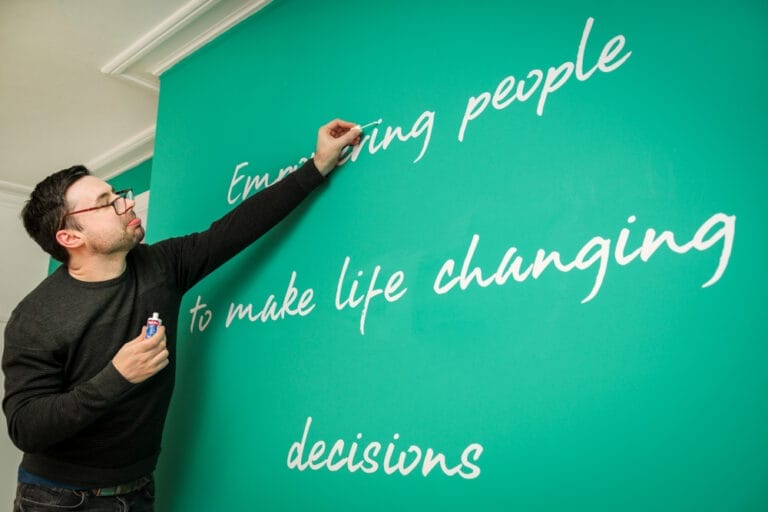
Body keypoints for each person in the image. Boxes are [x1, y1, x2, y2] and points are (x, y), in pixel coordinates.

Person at [2, 119, 362, 511]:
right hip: (58, 498)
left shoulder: (161, 265)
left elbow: (236, 229)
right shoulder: (36, 317)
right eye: (108, 202)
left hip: (138, 488)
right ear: (71, 237)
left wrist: (317, 165)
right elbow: (26, 427)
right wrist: (116, 377)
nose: (128, 203)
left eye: (118, 193)